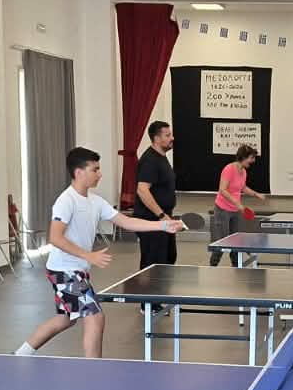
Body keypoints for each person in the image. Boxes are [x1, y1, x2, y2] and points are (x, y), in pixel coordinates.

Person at [17, 147, 182, 358]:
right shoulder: (66, 201)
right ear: (79, 172)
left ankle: (20, 354)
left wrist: (163, 225)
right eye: (95, 169)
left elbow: (126, 221)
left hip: (76, 270)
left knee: (65, 319)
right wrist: (88, 255)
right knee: (95, 317)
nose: (100, 174)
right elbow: (55, 238)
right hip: (64, 271)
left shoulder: (95, 201)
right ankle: (94, 370)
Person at [207, 145, 269, 267]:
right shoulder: (229, 169)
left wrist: (256, 194)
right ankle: (212, 267)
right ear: (244, 157)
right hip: (222, 210)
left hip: (235, 211)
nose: (253, 161)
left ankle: (236, 267)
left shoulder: (243, 172)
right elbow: (223, 190)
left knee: (235, 241)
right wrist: (238, 204)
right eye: (251, 158)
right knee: (222, 242)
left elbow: (243, 187)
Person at [133, 119, 178, 268]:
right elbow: (142, 190)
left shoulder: (161, 157)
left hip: (164, 219)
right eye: (168, 135)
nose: (172, 138)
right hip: (152, 220)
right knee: (153, 265)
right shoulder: (150, 160)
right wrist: (161, 215)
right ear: (157, 138)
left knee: (168, 258)